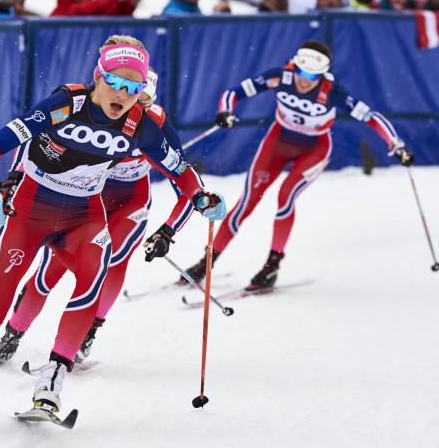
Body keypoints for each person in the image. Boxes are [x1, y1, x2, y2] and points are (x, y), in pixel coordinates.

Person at [0, 35, 227, 428]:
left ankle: (52, 382)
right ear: (99, 76)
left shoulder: (141, 124)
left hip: (86, 216)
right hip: (31, 212)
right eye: (116, 82)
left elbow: (180, 170)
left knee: (91, 283)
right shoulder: (65, 105)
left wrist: (200, 196)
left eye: (135, 88)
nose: (125, 94)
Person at [0, 69, 195, 370]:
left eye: (140, 100)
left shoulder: (153, 124)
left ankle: (86, 333)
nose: (131, 107)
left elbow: (184, 183)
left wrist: (168, 231)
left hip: (129, 202)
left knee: (111, 261)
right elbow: (36, 139)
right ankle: (11, 338)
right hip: (86, 198)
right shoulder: (90, 109)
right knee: (47, 272)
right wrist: (14, 178)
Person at [178, 40, 415, 292]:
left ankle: (272, 266)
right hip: (278, 142)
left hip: (314, 150)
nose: (305, 80)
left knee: (286, 196)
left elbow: (372, 117)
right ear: (295, 66)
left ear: (322, 74)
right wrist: (225, 111)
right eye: (302, 72)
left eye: (312, 75)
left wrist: (396, 144)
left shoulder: (332, 91)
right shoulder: (281, 77)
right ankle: (208, 260)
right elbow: (233, 92)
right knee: (247, 201)